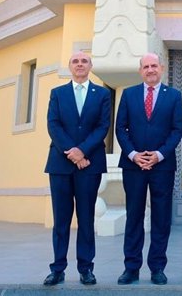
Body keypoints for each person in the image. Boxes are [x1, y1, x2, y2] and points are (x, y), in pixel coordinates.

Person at [43, 52, 111, 286]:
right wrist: (73, 153)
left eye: (84, 61)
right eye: (75, 61)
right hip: (61, 165)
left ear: (90, 66)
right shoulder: (58, 94)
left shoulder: (101, 94)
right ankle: (58, 268)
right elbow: (53, 125)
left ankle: (86, 268)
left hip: (89, 165)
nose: (80, 65)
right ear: (70, 67)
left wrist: (82, 151)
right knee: (61, 220)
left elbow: (102, 126)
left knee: (86, 218)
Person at [115, 53, 182, 285]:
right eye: (146, 66)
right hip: (133, 165)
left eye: (154, 65)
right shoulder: (129, 94)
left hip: (162, 166)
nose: (151, 69)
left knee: (161, 218)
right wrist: (134, 155)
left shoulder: (173, 95)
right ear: (140, 70)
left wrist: (159, 155)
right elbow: (120, 128)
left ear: (161, 68)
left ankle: (157, 268)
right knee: (134, 216)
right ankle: (131, 268)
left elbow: (176, 130)